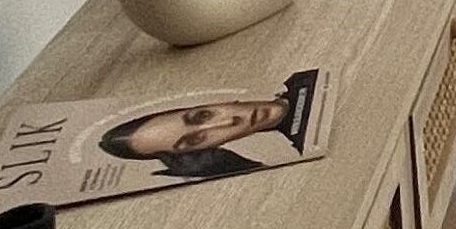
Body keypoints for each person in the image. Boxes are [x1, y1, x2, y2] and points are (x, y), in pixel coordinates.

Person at [95, 70, 320, 181]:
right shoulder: (303, 146)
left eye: (203, 115)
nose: (229, 122)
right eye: (196, 140)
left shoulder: (303, 78)